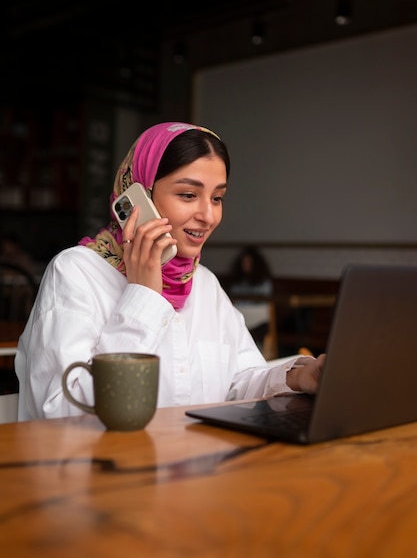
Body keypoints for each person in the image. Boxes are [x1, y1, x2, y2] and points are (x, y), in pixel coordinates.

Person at [15, 121, 325, 421]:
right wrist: (144, 296)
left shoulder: (204, 284)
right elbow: (57, 412)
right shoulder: (75, 273)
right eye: (188, 195)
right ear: (138, 197)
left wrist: (298, 377)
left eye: (217, 198)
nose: (208, 215)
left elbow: (239, 381)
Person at [227, 245, 274, 351]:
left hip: (258, 318)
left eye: (248, 262)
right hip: (244, 313)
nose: (246, 265)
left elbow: (263, 299)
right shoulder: (239, 280)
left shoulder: (262, 281)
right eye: (244, 262)